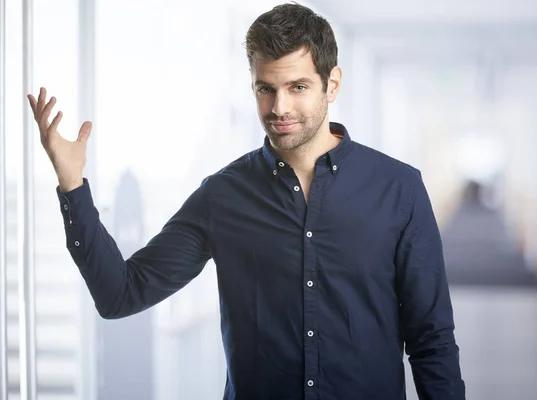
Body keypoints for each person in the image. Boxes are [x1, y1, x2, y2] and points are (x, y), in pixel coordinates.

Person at [28, 3, 465, 399]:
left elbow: (432, 342)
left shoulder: (399, 188)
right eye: (265, 89)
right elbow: (120, 294)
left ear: (332, 84)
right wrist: (72, 185)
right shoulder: (223, 196)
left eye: (297, 87)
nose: (279, 107)